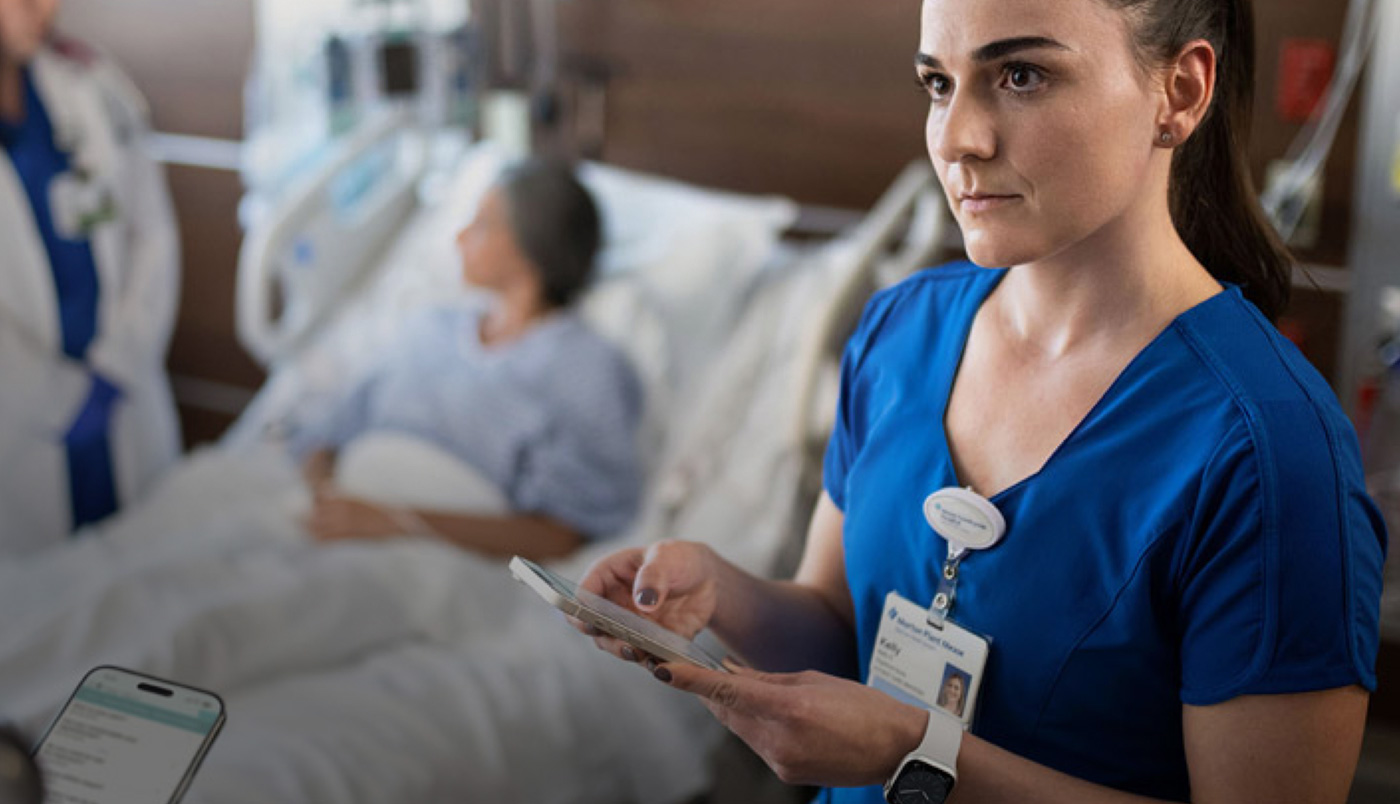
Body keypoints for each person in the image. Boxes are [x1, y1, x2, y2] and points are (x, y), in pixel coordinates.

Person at [576, 0, 1388, 802]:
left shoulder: (1270, 456)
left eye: (1022, 75)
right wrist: (723, 591)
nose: (958, 137)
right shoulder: (900, 331)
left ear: (1177, 93)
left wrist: (918, 752)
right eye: (938, 83)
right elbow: (837, 624)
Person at [289, 159, 644, 562]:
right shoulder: (430, 328)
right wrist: (324, 496)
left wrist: (396, 522)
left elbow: (561, 533)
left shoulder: (585, 367)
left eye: (482, 224)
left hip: (433, 562)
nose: (459, 237)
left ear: (532, 246)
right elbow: (328, 434)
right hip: (333, 523)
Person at [0, 0, 181, 556]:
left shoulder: (91, 78)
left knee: (147, 585)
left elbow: (153, 232)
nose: (48, 8)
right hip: (18, 418)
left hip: (121, 390)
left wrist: (119, 364)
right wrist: (48, 397)